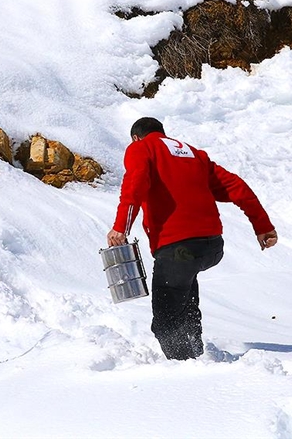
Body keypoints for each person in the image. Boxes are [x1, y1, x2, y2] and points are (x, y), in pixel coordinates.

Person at [107, 117, 278, 361]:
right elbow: (236, 186)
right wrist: (262, 226)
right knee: (185, 304)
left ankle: (184, 371)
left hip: (177, 247)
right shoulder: (194, 154)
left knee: (165, 320)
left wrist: (120, 228)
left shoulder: (141, 148)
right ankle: (198, 356)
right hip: (211, 246)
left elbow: (135, 185)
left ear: (136, 137)